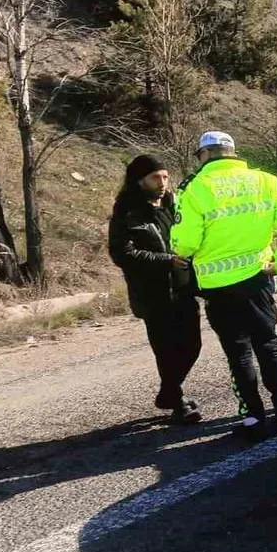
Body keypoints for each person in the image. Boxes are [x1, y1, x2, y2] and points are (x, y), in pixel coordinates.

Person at [171, 131, 277, 440]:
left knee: (239, 352)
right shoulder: (265, 180)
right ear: (233, 152)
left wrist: (178, 248)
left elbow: (185, 244)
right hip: (258, 278)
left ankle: (253, 419)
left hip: (218, 287)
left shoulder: (195, 189)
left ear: (203, 155)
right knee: (268, 345)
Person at [108, 155, 203, 425]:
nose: (162, 183)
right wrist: (166, 261)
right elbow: (122, 254)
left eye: (165, 176)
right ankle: (177, 401)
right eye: (155, 178)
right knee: (167, 351)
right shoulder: (127, 212)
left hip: (183, 288)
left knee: (192, 345)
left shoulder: (175, 205)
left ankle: (169, 393)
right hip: (152, 294)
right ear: (139, 181)